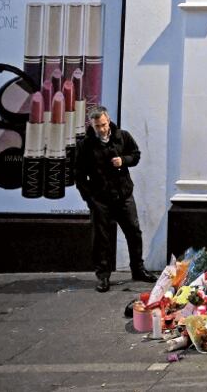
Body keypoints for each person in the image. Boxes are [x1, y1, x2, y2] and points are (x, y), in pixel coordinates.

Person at [76, 106, 156, 292]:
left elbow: (136, 155)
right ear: (91, 125)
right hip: (100, 199)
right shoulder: (85, 145)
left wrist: (124, 160)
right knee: (101, 238)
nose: (102, 129)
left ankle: (138, 269)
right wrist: (89, 199)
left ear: (108, 120)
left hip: (123, 195)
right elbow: (79, 176)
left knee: (134, 232)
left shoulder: (122, 136)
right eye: (97, 126)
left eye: (104, 124)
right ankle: (103, 276)